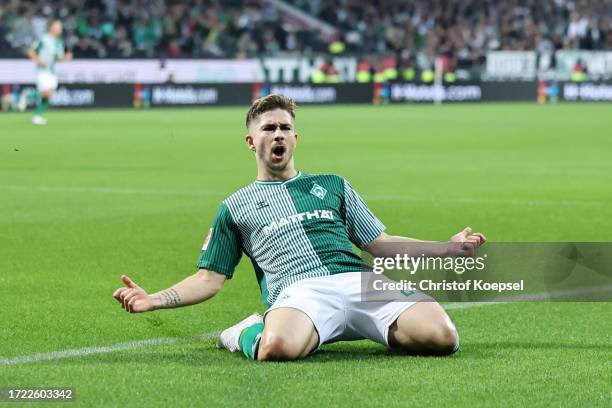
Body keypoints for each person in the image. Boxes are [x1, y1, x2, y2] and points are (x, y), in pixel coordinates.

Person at [112, 94, 486, 361]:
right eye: (268, 128)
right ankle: (243, 331)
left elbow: (381, 244)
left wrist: (447, 248)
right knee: (277, 349)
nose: (277, 134)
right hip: (300, 291)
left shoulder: (334, 184)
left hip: (358, 281)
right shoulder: (234, 206)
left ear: (295, 138)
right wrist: (154, 299)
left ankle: (370, 324)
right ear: (251, 141)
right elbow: (209, 279)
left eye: (285, 128)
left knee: (443, 338)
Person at [27, 20, 73, 125]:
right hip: (42, 70)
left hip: (52, 71)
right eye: (57, 27)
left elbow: (58, 58)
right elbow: (31, 52)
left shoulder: (59, 42)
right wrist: (39, 61)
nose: (59, 29)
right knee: (47, 92)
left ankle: (37, 116)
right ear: (51, 27)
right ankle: (29, 95)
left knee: (49, 95)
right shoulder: (43, 39)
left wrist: (66, 57)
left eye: (60, 27)